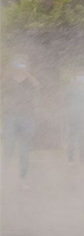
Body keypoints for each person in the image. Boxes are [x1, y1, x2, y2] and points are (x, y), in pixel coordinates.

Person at [2, 57, 41, 188]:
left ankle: (23, 179)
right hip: (10, 117)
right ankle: (3, 178)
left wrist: (26, 73)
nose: (20, 67)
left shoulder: (29, 81)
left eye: (23, 64)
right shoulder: (8, 80)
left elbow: (37, 85)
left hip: (27, 117)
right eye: (18, 64)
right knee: (8, 148)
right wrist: (10, 72)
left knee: (24, 151)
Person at [67, 70, 84, 164]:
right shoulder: (71, 88)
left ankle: (83, 159)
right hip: (73, 116)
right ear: (76, 77)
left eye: (83, 75)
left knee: (83, 138)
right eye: (79, 75)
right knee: (72, 138)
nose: (81, 77)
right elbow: (67, 99)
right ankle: (71, 159)